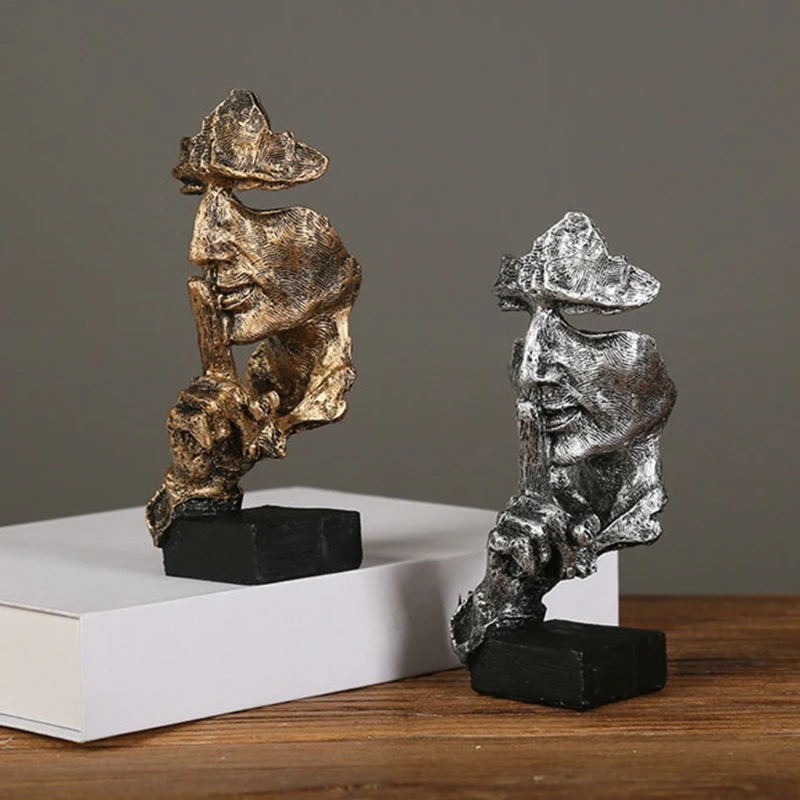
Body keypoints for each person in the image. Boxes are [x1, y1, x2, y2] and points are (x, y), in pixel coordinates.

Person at [451, 211, 676, 661]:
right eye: (527, 325)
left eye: (582, 324)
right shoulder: (541, 512)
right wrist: (507, 585)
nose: (531, 373)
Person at [146, 90, 361, 545]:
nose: (201, 248)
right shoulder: (253, 392)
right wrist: (203, 470)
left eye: (244, 204)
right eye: (204, 201)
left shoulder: (308, 386)